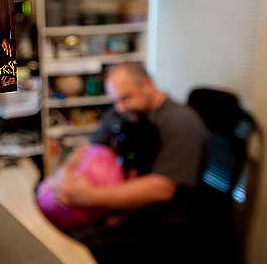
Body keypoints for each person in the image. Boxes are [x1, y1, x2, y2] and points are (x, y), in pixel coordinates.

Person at [54, 62, 208, 263]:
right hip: (120, 208)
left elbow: (162, 188)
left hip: (160, 223)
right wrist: (67, 176)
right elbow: (89, 150)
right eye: (115, 101)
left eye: (125, 98)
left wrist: (87, 197)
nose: (119, 107)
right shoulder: (122, 114)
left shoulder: (181, 123)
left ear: (147, 84)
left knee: (71, 251)